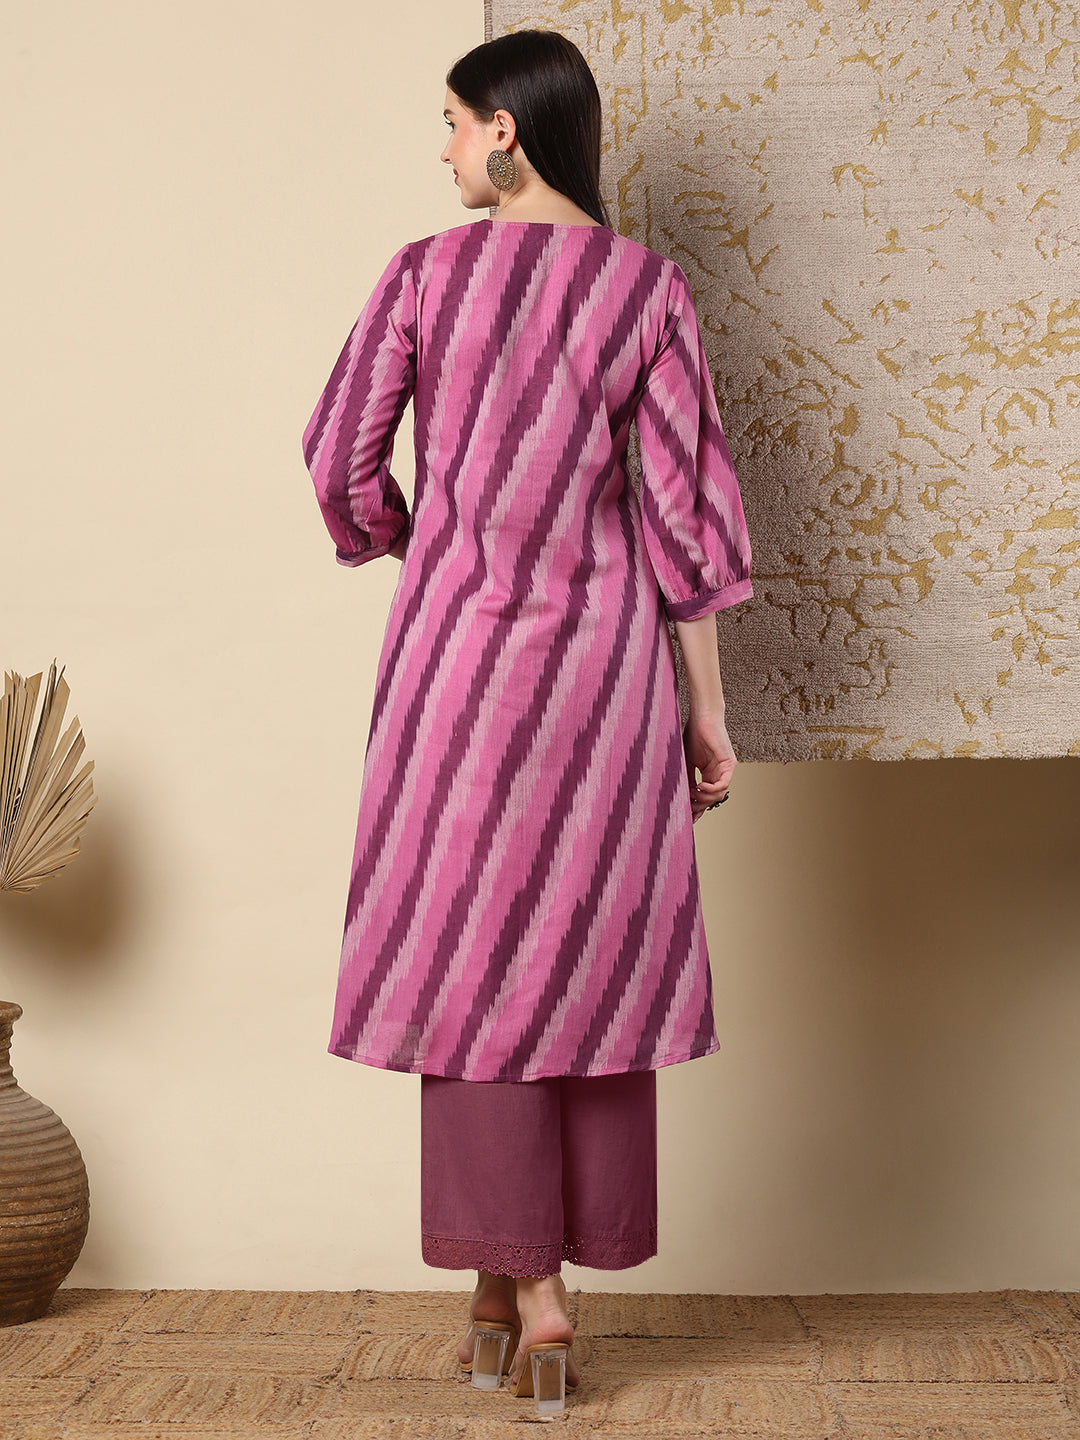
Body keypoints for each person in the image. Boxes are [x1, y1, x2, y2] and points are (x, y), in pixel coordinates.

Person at [301, 29, 753, 1414]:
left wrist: (418, 540)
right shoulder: (644, 288)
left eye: (452, 122)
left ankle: (521, 1290)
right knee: (587, 955)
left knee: (471, 959)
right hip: (603, 675)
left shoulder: (424, 277)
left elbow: (339, 462)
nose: (442, 147)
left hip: (454, 669)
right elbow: (684, 518)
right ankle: (524, 1291)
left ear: (506, 128)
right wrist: (708, 712)